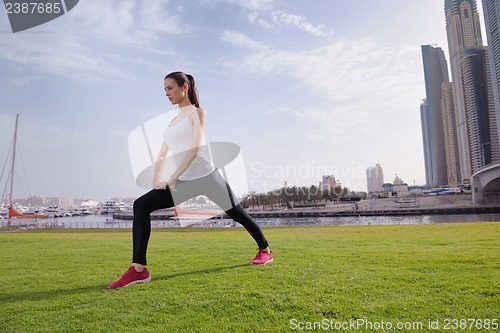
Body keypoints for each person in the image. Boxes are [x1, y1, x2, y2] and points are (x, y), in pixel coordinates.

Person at [108, 71, 273, 289]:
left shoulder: (198, 114)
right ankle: (139, 269)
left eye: (170, 88)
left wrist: (171, 178)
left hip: (207, 177)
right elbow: (161, 155)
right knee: (141, 204)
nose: (166, 93)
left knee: (238, 214)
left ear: (184, 86)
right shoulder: (173, 120)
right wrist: (157, 180)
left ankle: (265, 251)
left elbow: (195, 150)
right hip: (184, 180)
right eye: (164, 89)